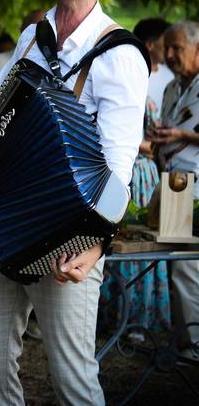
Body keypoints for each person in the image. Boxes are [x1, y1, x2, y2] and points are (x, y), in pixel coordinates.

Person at [0, 0, 149, 405]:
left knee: (72, 378)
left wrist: (97, 242)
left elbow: (119, 165)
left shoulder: (119, 55)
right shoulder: (32, 38)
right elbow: (2, 97)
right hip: (4, 220)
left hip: (68, 237)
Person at [100, 17, 176, 333]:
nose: (167, 51)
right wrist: (151, 144)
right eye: (163, 43)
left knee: (141, 241)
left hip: (144, 171)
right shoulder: (133, 77)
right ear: (149, 44)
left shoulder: (164, 79)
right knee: (126, 240)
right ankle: (123, 316)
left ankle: (133, 317)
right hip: (134, 168)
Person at [150, 20, 199, 359]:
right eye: (166, 48)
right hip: (175, 184)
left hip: (196, 185)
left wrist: (182, 137)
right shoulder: (171, 88)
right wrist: (159, 139)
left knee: (186, 267)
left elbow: (183, 134)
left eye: (176, 48)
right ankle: (187, 340)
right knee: (179, 266)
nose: (168, 55)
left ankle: (193, 345)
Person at [135, 18, 175, 108]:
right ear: (150, 45)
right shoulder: (132, 75)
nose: (170, 52)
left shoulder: (170, 75)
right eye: (166, 46)